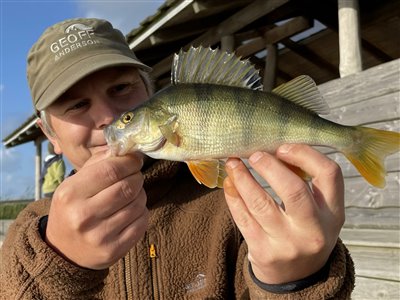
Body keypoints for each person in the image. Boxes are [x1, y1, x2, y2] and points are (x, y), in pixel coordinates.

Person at [0, 18, 354, 299]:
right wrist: (57, 264)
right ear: (50, 135)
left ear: (150, 93)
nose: (107, 116)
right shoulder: (30, 238)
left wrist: (295, 281)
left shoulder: (237, 205)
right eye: (77, 105)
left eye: (121, 89)